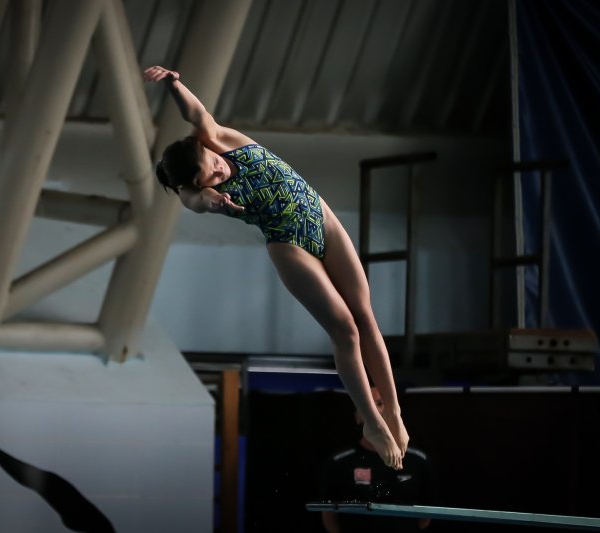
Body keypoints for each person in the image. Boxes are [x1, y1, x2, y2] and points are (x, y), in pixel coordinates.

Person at [144, 65, 409, 470]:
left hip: (322, 219)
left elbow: (196, 113)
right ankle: (372, 422)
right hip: (290, 247)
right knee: (345, 330)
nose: (219, 169)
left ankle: (394, 413)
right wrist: (214, 199)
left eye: (213, 162)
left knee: (365, 315)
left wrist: (173, 83)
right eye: (210, 176)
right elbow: (198, 202)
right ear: (196, 183)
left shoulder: (219, 139)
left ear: (205, 147)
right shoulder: (194, 194)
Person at [319, 388, 434, 533]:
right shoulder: (338, 463)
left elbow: (427, 514)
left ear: (394, 411)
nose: (375, 412)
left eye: (379, 404)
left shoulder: (418, 460)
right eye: (367, 405)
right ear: (357, 416)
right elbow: (329, 516)